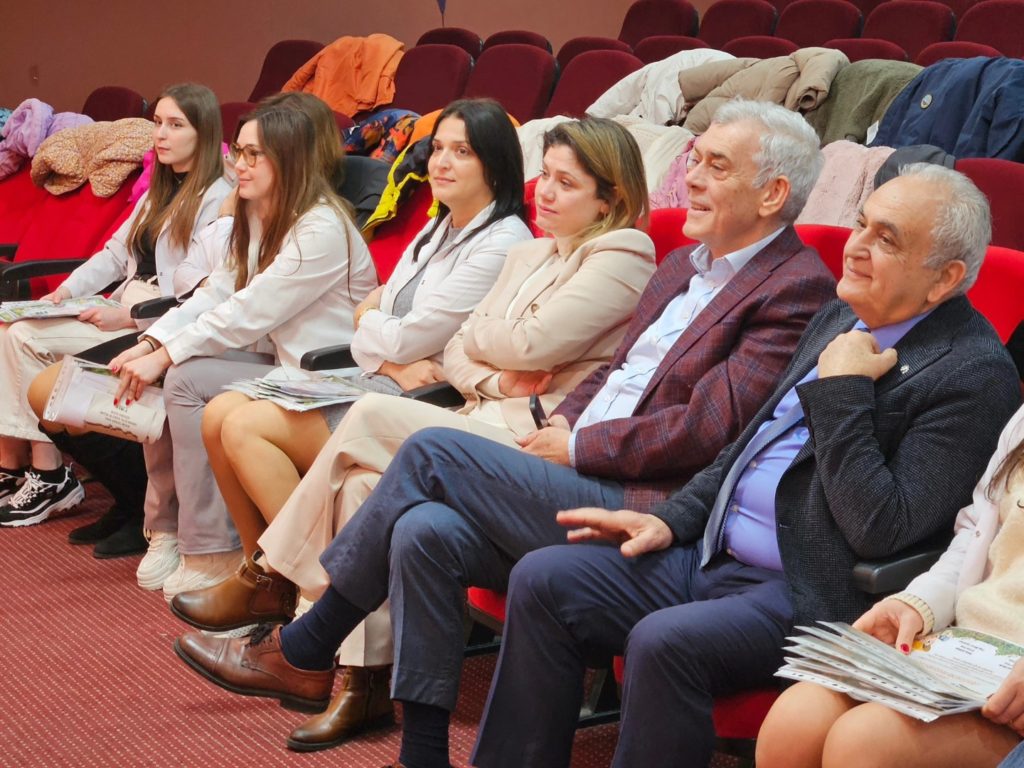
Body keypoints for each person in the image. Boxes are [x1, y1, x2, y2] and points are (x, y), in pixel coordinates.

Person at [170, 99, 838, 763]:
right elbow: (613, 375)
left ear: (772, 193)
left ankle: (310, 631)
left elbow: (707, 430)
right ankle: (422, 752)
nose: (690, 176)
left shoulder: (793, 288)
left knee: (428, 451)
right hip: (571, 457)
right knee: (423, 529)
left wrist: (576, 443)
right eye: (695, 160)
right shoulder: (683, 266)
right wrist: (568, 421)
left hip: (644, 503)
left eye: (716, 166)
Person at [459, 163, 1022, 768]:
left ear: (945, 278)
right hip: (714, 552)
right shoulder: (842, 314)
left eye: (886, 239)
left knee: (664, 640)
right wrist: (672, 520)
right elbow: (747, 445)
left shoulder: (973, 374)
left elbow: (882, 529)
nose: (855, 247)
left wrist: (844, 392)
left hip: (805, 588)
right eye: (860, 224)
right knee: (544, 578)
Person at [173, 116, 658, 754]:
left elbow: (526, 343)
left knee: (371, 418)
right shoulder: (530, 253)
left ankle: (287, 596)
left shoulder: (624, 252)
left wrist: (485, 347)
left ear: (609, 198)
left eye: (567, 184)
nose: (545, 192)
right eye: (547, 177)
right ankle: (366, 691)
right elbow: (460, 347)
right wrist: (493, 369)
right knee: (367, 489)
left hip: (532, 443)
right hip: (481, 413)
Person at [189, 98, 531, 597]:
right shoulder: (438, 227)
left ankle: (314, 588)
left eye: (462, 152)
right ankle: (262, 575)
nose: (440, 162)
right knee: (216, 414)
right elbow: (387, 333)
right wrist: (388, 353)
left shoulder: (501, 241)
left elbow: (402, 332)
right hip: (385, 379)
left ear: (494, 164)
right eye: (437, 148)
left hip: (428, 401)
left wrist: (370, 321)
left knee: (243, 427)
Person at [103, 100, 377, 600]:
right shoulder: (258, 213)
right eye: (239, 153)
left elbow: (248, 311)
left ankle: (223, 552)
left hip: (327, 379)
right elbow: (215, 292)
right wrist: (153, 341)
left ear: (289, 160)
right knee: (183, 374)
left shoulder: (321, 227)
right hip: (283, 367)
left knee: (184, 375)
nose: (239, 166)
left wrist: (164, 354)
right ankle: (202, 544)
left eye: (254, 155)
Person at [0, 83, 232, 553]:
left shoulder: (218, 196)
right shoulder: (159, 187)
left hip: (156, 319)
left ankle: (103, 491)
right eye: (158, 123)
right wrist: (64, 294)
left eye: (175, 125)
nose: (161, 135)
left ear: (204, 133)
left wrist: (130, 320)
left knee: (36, 350)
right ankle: (56, 475)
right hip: (123, 304)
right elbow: (112, 254)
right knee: (17, 329)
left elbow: (200, 290)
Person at [756, 402, 1024, 768]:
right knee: (794, 721)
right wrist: (917, 603)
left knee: (863, 742)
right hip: (969, 649)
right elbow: (976, 534)